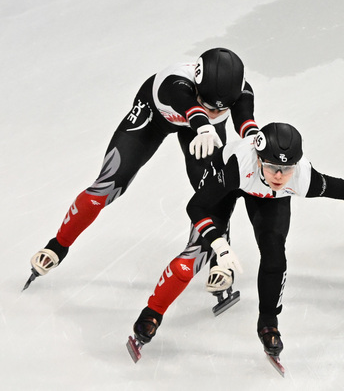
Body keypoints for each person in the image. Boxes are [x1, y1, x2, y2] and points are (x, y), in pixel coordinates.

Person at [128, 122, 344, 362]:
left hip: (269, 199)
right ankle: (152, 312)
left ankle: (268, 320)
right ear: (258, 160)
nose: (278, 176)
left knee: (275, 255)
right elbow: (195, 207)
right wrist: (219, 243)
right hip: (229, 183)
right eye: (271, 167)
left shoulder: (302, 177)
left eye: (286, 169)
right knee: (197, 253)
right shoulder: (238, 166)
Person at [26, 48, 258, 292]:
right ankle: (57, 245)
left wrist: (254, 143)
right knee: (108, 184)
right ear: (197, 87)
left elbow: (246, 122)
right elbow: (190, 108)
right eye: (209, 106)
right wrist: (204, 126)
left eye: (221, 111)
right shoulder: (174, 82)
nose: (215, 114)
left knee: (212, 193)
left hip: (202, 131)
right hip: (154, 117)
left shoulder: (241, 92)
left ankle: (218, 257)